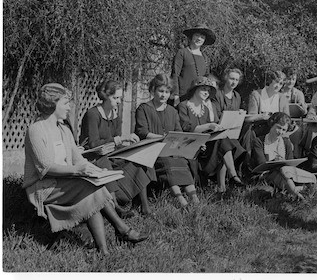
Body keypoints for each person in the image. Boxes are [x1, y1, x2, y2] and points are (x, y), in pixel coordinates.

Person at [24, 83, 148, 255]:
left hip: (66, 181)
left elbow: (79, 159)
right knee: (90, 187)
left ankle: (104, 250)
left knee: (90, 192)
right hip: (44, 186)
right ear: (53, 104)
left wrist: (98, 172)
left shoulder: (64, 130)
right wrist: (77, 171)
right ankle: (121, 231)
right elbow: (45, 168)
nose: (69, 107)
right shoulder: (36, 130)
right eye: (66, 103)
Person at [80, 80, 156, 216]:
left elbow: (116, 142)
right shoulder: (93, 114)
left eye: (120, 98)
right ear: (105, 97)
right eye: (115, 98)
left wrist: (130, 147)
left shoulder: (115, 115)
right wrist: (120, 139)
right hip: (92, 156)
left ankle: (144, 206)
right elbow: (93, 144)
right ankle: (115, 206)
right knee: (103, 160)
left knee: (140, 158)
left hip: (110, 153)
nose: (119, 101)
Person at [135, 74, 199, 208]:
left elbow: (178, 131)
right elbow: (142, 132)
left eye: (167, 92)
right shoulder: (144, 108)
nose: (164, 95)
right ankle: (180, 200)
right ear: (153, 90)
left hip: (170, 148)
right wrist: (161, 138)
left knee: (182, 161)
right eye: (161, 91)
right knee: (167, 162)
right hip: (152, 149)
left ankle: (194, 198)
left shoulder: (172, 111)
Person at [178, 76, 246, 192]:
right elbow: (186, 129)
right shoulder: (184, 106)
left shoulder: (205, 108)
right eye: (203, 89)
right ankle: (231, 178)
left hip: (204, 144)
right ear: (195, 89)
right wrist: (209, 126)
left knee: (223, 140)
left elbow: (209, 130)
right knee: (222, 143)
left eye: (208, 90)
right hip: (188, 145)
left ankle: (232, 178)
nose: (206, 92)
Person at [251, 112, 316, 201]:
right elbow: (261, 164)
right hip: (266, 174)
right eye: (278, 127)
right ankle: (296, 194)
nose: (280, 132)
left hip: (285, 173)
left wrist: (283, 162)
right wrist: (275, 161)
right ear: (272, 124)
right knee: (283, 171)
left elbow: (291, 162)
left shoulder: (286, 142)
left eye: (284, 130)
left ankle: (296, 191)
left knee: (285, 170)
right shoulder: (259, 141)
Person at [171, 23, 216, 105]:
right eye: (197, 35)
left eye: (202, 37)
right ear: (191, 37)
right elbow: (175, 75)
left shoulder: (205, 58)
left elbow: (206, 78)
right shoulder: (182, 53)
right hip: (182, 97)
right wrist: (176, 95)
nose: (199, 38)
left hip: (198, 99)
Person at [281, 67, 308, 158]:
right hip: (280, 122)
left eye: (293, 79)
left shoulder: (298, 93)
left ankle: (296, 157)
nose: (291, 82)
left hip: (294, 123)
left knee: (298, 131)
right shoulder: (278, 92)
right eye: (289, 79)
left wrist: (301, 107)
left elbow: (304, 111)